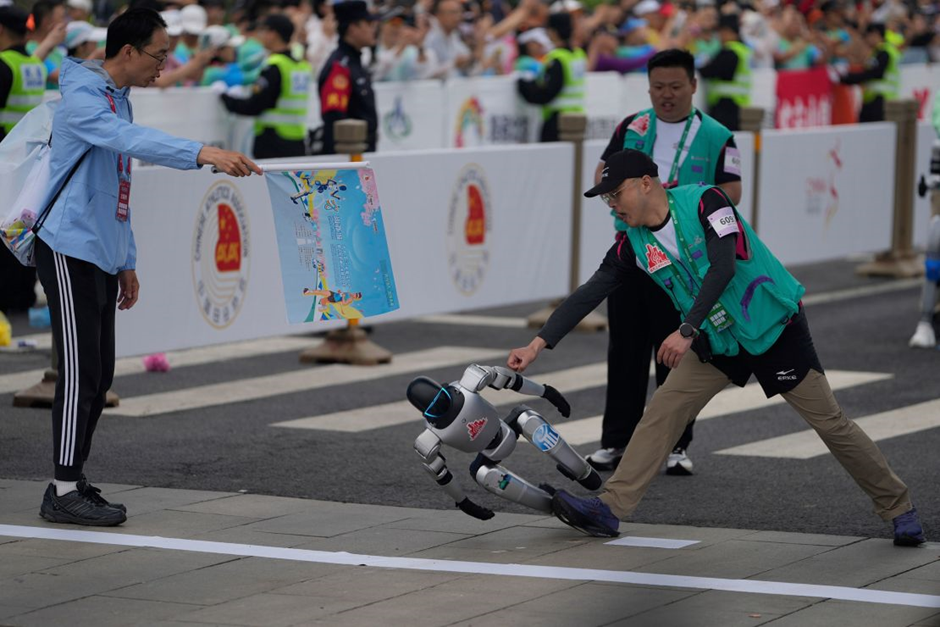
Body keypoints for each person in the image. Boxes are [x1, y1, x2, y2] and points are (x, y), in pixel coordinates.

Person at [506, 149, 926, 547]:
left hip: (771, 327)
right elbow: (590, 292)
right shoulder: (631, 245)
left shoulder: (707, 201)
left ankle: (899, 508)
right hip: (718, 339)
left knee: (831, 424)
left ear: (646, 183)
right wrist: (538, 344)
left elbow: (724, 265)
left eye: (616, 194)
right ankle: (610, 509)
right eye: (606, 199)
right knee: (663, 411)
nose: (612, 205)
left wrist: (686, 328)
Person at [34, 7, 261, 527]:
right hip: (67, 247)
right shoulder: (83, 100)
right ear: (128, 52)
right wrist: (204, 152)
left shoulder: (117, 98)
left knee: (101, 370)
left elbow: (118, 185)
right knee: (80, 372)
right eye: (160, 55)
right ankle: (63, 488)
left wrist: (126, 259)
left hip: (99, 250)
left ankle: (73, 478)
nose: (166, 65)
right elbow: (130, 143)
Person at [587, 48, 743, 474]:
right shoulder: (633, 126)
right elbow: (603, 174)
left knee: (675, 353)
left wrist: (680, 201)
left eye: (675, 87)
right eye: (658, 87)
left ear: (694, 85)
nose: (666, 95)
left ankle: (676, 445)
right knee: (624, 350)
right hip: (634, 253)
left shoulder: (717, 134)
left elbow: (732, 190)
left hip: (682, 263)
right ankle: (616, 441)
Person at [0, 6, 48, 315]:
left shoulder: (4, 65)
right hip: (28, 157)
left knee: (4, 228)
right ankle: (22, 295)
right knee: (22, 227)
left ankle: (5, 298)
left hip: (4, 156)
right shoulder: (35, 65)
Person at [220, 14, 310, 159]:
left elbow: (254, 105)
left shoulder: (274, 66)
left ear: (273, 33)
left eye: (263, 31)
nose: (260, 35)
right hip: (297, 140)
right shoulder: (301, 66)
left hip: (273, 141)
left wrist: (225, 98)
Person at [318, 0, 378, 155]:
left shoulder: (354, 62)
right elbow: (335, 119)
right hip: (349, 160)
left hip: (362, 155)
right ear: (352, 29)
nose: (374, 29)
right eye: (368, 24)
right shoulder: (340, 67)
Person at [516, 12, 586, 142]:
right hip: (578, 118)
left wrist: (523, 85)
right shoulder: (579, 54)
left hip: (558, 122)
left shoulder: (557, 58)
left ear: (553, 32)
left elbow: (547, 93)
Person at [699, 13, 751, 131]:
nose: (719, 36)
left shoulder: (730, 52)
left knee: (722, 142)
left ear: (728, 31)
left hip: (725, 106)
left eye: (721, 32)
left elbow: (709, 71)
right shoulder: (743, 50)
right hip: (737, 104)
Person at [838, 23, 900, 123]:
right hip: (872, 99)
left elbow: (873, 74)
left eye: (868, 36)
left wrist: (847, 78)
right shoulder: (878, 52)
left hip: (881, 100)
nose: (866, 40)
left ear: (875, 34)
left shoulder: (885, 52)